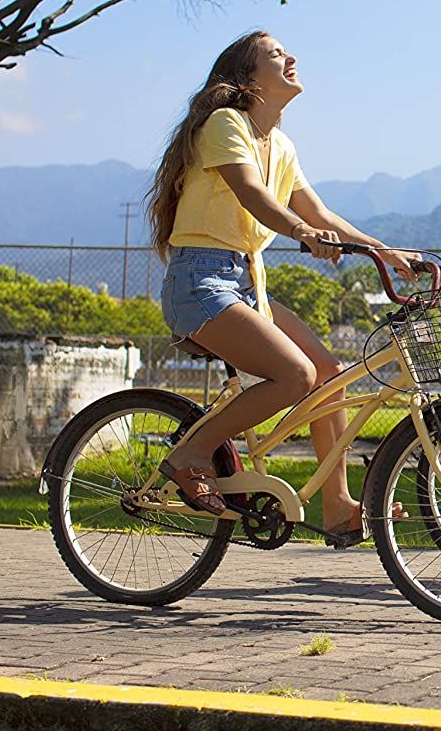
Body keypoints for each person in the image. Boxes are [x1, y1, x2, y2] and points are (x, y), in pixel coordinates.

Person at [147, 31, 419, 546]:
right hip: (199, 280)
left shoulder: (283, 146)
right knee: (294, 374)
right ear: (249, 79)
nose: (291, 58)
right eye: (276, 55)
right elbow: (251, 193)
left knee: (329, 374)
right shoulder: (225, 125)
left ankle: (337, 506)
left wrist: (386, 250)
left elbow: (319, 212)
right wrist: (300, 233)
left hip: (247, 281)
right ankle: (190, 454)